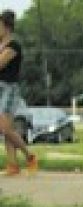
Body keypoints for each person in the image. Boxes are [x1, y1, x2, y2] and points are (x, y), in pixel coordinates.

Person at [0, 9, 37, 176]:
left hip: (9, 89)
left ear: (6, 27)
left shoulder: (13, 45)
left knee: (6, 128)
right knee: (6, 129)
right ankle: (13, 165)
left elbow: (1, 64)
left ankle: (29, 156)